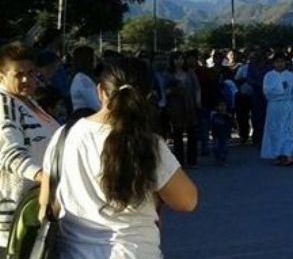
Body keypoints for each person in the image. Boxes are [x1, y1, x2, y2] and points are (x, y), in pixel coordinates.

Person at [40, 57, 197, 258]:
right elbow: (187, 201)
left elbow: (47, 202)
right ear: (148, 96)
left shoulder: (64, 136)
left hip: (74, 253)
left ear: (100, 92)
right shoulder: (147, 142)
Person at [0, 42, 60, 253]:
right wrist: (43, 177)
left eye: (31, 73)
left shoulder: (28, 102)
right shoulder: (5, 104)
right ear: (2, 76)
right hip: (16, 219)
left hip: (36, 210)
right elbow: (9, 155)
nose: (26, 79)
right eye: (18, 74)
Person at [261, 53, 293, 166]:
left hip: (287, 104)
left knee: (287, 129)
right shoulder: (268, 76)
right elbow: (267, 91)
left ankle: (287, 154)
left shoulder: (290, 75)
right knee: (274, 129)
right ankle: (277, 154)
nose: (279, 64)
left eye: (282, 61)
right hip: (274, 105)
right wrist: (280, 88)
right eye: (277, 62)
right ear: (273, 63)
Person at [166, 52, 200, 168]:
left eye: (181, 59)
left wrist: (197, 100)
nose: (179, 62)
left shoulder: (190, 73)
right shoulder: (169, 75)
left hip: (189, 105)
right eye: (176, 59)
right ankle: (179, 159)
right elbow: (165, 90)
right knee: (177, 133)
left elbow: (197, 88)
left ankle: (192, 159)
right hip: (175, 106)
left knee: (192, 133)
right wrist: (172, 90)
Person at [69, 45, 101, 120]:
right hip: (85, 119)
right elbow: (96, 105)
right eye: (94, 56)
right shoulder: (82, 79)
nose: (97, 59)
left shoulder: (82, 77)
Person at [210, 100, 233, 166]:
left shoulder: (228, 116)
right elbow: (212, 126)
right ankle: (218, 159)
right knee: (216, 147)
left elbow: (230, 125)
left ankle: (223, 159)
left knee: (225, 147)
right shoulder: (215, 116)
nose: (222, 108)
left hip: (225, 134)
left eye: (224, 106)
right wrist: (213, 134)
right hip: (217, 135)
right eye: (220, 106)